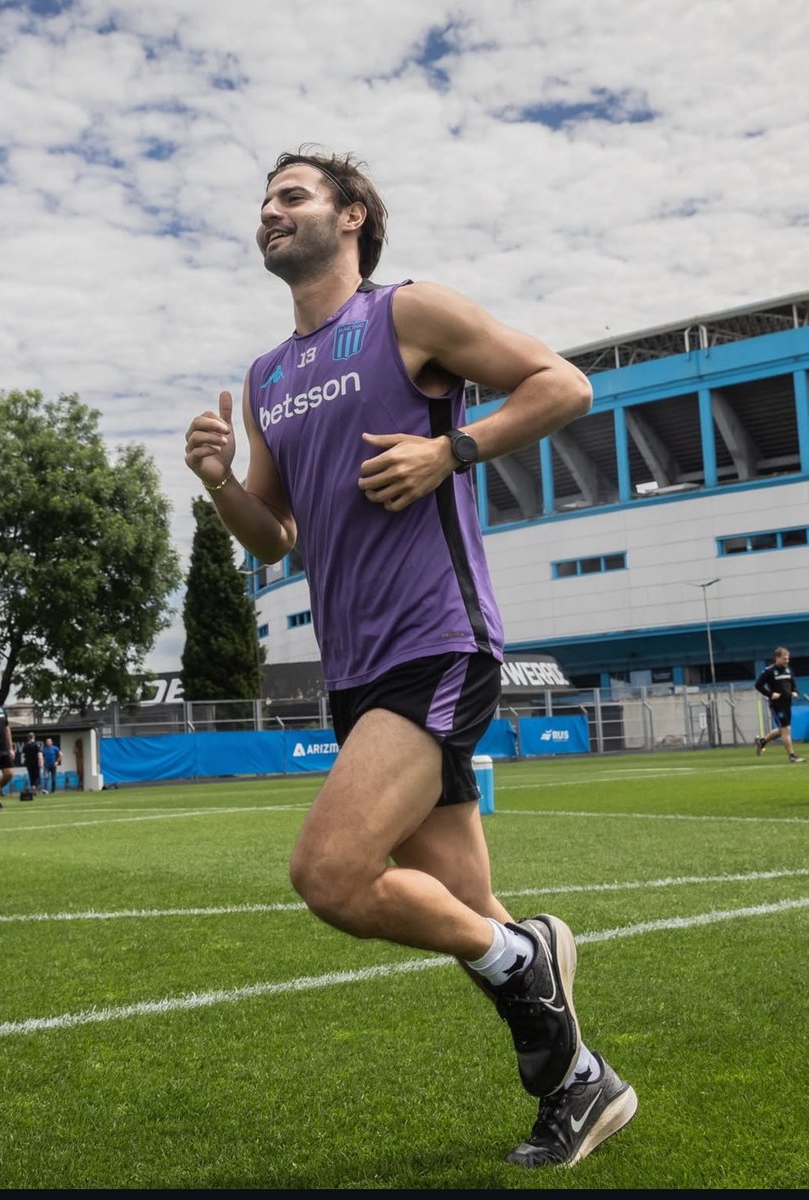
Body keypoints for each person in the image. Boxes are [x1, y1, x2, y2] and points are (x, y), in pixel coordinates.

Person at [184, 148, 637, 1169]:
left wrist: (451, 449)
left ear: (351, 217)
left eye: (291, 196)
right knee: (467, 912)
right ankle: (580, 1083)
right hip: (353, 667)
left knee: (331, 874)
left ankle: (526, 955)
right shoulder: (266, 377)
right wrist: (220, 483)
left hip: (436, 639)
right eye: (263, 202)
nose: (269, 213)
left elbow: (563, 386)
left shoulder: (407, 313)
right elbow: (274, 538)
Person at [754, 647, 804, 763]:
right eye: (784, 659)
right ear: (777, 658)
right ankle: (792, 756)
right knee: (785, 729)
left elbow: (793, 684)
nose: (787, 661)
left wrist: (795, 692)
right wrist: (770, 694)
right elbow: (758, 685)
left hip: (787, 704)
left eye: (788, 658)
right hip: (777, 705)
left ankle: (762, 741)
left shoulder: (788, 670)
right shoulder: (769, 671)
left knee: (783, 730)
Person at [21, 731, 44, 795]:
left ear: (28, 738)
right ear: (34, 737)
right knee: (37, 776)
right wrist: (41, 762)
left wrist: (23, 762)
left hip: (28, 763)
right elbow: (39, 754)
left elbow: (22, 755)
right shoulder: (36, 745)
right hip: (35, 763)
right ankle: (35, 787)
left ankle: (33, 786)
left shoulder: (25, 745)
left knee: (31, 776)